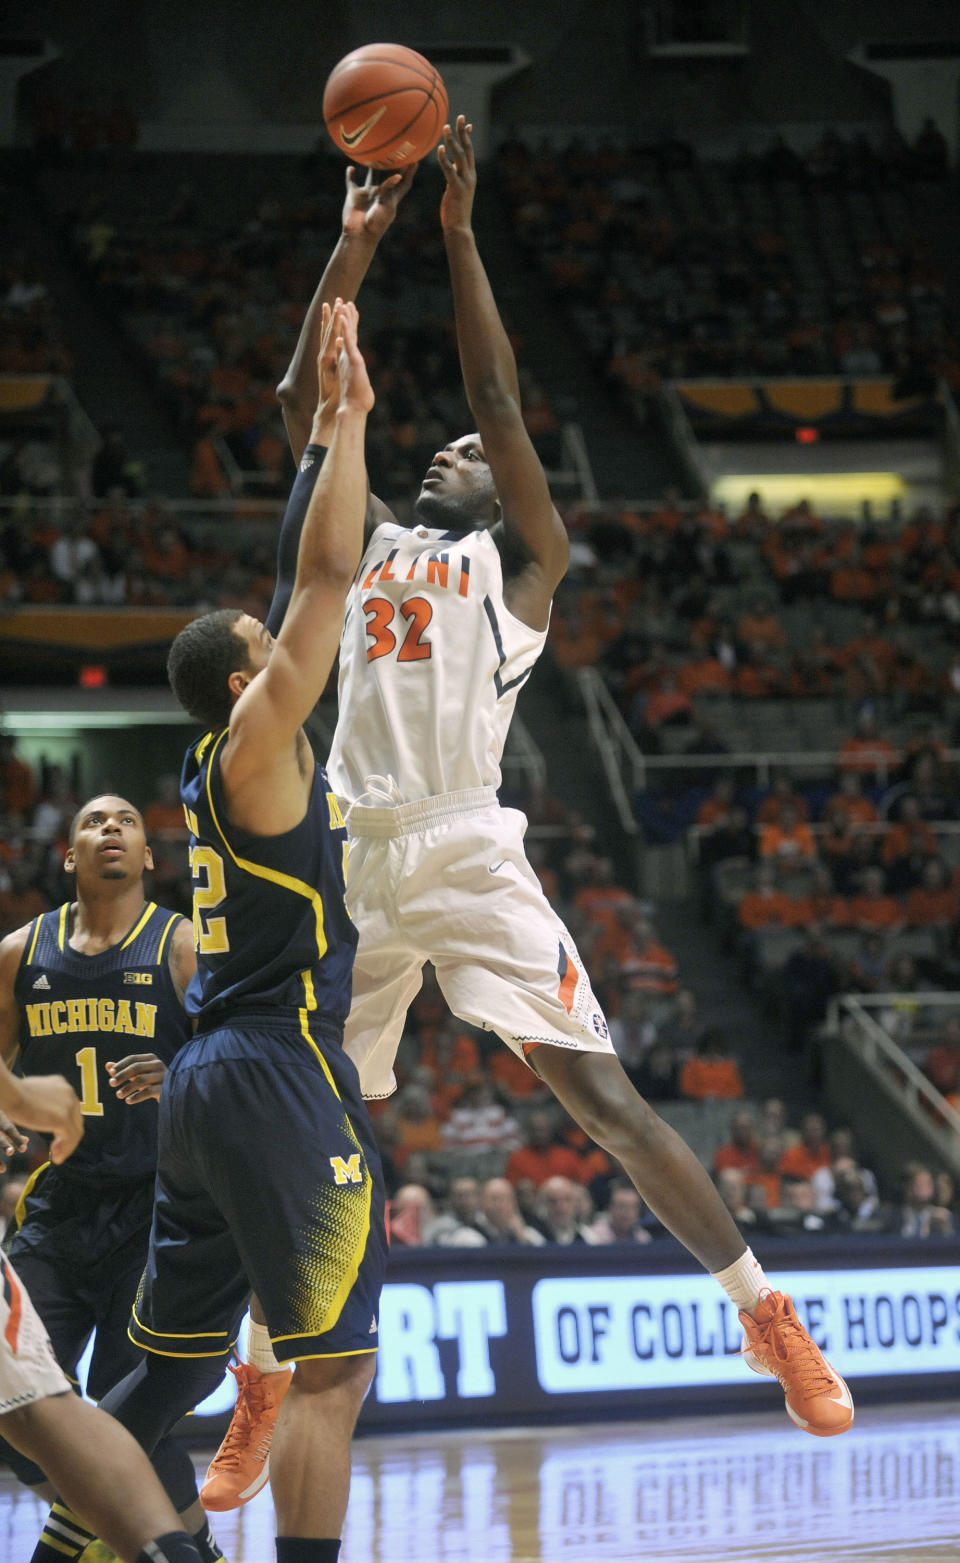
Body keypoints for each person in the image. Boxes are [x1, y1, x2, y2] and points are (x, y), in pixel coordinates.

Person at [214, 119, 852, 1486]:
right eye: (438, 444)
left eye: (471, 451)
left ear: (506, 490)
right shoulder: (369, 534)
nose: (455, 447)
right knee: (307, 1120)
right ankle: (262, 1377)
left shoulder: (521, 574)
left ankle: (768, 1315)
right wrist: (357, 240)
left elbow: (500, 398)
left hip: (462, 844)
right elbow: (303, 397)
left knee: (607, 1099)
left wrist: (454, 234)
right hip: (347, 852)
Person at [33, 301, 385, 1563]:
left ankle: (61, 1555)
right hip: (280, 1071)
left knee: (161, 1384)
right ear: (251, 682)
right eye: (268, 645)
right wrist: (344, 425)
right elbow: (328, 582)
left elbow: (297, 582)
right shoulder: (253, 745)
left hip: (201, 1089)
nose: (287, 636)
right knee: (331, 1372)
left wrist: (311, 456)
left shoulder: (218, 761)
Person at [0, 796, 222, 1563]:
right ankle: (183, 1539)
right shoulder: (19, 952)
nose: (111, 830)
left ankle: (139, 1541)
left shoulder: (182, 945)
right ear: (69, 856)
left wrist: (181, 1071)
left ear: (150, 856)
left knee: (132, 1412)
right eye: (94, 822)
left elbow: (235, 1072)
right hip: (58, 1210)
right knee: (18, 1410)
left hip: (155, 1211)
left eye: (126, 821)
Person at [0, 1057, 204, 1563]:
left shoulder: (185, 977)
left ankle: (180, 1549)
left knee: (119, 1410)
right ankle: (126, 1542)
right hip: (62, 1206)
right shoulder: (21, 977)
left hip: (159, 1203)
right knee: (35, 1410)